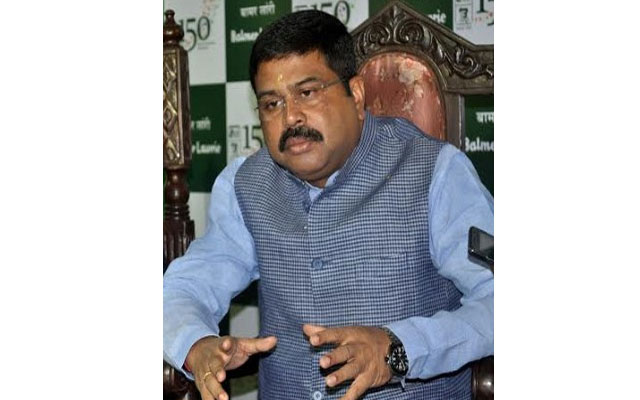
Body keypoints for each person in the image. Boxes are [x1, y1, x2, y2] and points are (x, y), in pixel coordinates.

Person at [164, 9, 494, 400]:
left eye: (307, 93)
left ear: (356, 94)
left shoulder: (435, 172)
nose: (291, 117)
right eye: (271, 103)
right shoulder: (246, 185)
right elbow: (184, 288)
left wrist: (401, 347)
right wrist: (196, 345)